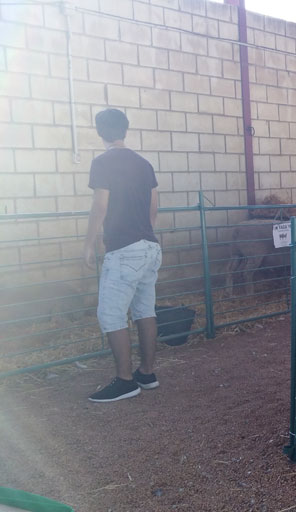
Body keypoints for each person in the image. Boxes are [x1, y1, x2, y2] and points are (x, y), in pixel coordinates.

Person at [83, 108, 162, 402]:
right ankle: (147, 373)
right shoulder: (143, 163)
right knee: (145, 310)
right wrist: (144, 234)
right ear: (125, 130)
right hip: (149, 246)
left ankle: (125, 380)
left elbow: (100, 204)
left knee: (110, 313)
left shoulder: (102, 162)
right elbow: (154, 205)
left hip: (123, 249)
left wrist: (89, 243)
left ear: (100, 131)